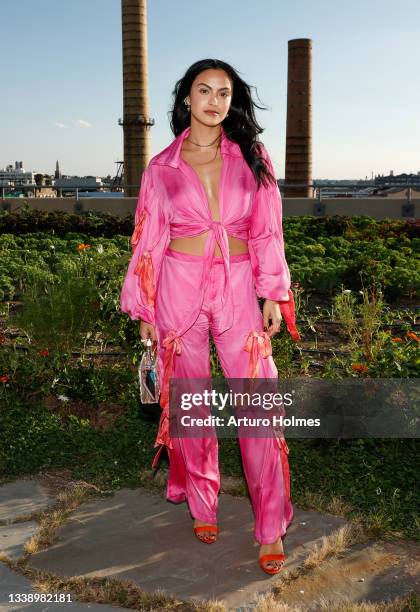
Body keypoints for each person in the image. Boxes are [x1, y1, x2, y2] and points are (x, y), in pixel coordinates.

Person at [120, 58, 300, 574]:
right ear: (186, 100)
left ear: (231, 101)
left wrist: (272, 293)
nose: (215, 100)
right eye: (204, 90)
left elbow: (268, 231)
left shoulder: (252, 157)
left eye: (224, 92)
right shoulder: (162, 167)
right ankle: (203, 500)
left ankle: (271, 524)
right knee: (194, 404)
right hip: (178, 288)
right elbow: (148, 240)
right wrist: (144, 309)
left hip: (240, 286)